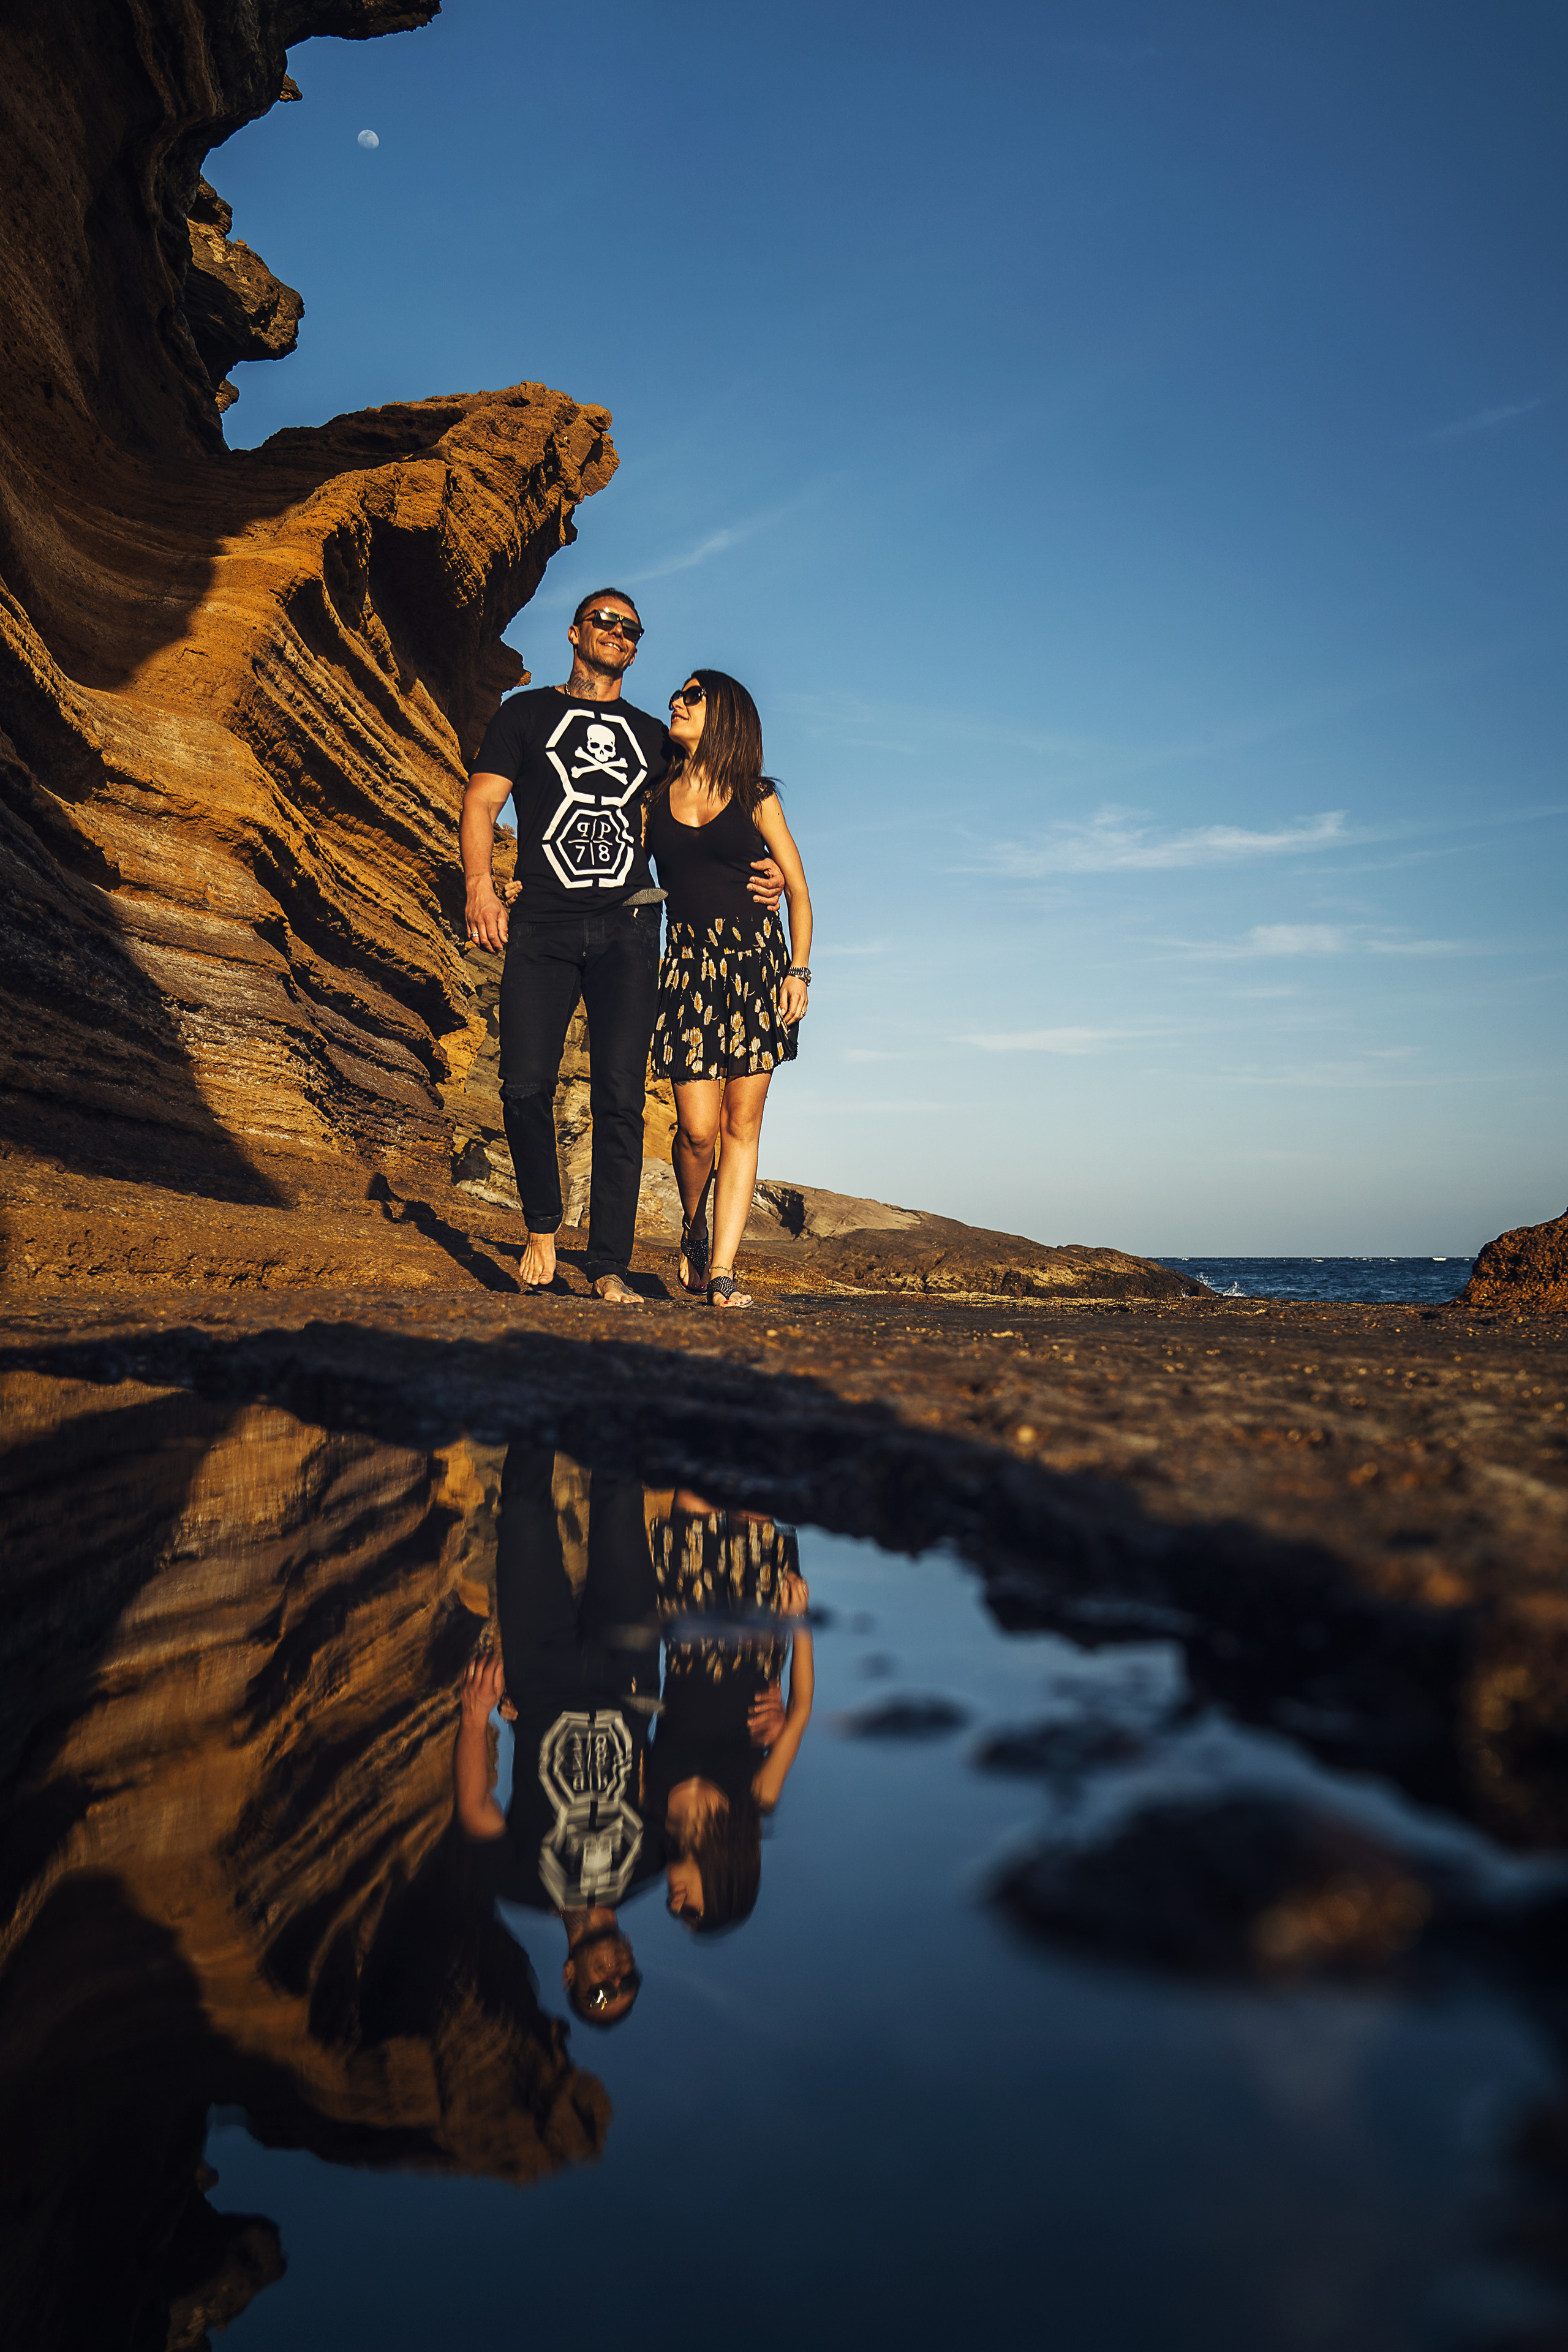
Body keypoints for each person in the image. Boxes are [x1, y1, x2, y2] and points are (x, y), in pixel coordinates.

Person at [461, 595, 783, 1305]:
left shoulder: (653, 737)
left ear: (634, 648)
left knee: (619, 1101)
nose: (617, 634)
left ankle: (607, 1265)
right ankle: (542, 1224)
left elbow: (716, 791)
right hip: (541, 919)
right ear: (575, 632)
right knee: (524, 1086)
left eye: (630, 630)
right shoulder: (525, 716)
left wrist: (764, 869)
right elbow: (483, 801)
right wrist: (481, 886)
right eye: (604, 621)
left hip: (631, 927)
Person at [453, 1446, 665, 2028]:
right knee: (621, 1499)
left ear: (570, 1976)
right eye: (628, 1983)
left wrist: (477, 1717)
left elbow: (475, 1810)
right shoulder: (650, 1868)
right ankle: (616, 1376)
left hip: (541, 1683)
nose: (615, 1975)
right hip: (628, 1679)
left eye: (601, 1992)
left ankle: (541, 1385)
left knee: (523, 1511)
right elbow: (672, 1779)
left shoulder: (520, 1884)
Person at [646, 671, 813, 1308]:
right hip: (688, 969)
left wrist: (798, 971)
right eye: (677, 695)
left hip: (754, 968)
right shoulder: (654, 795)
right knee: (696, 1130)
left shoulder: (756, 796)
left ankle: (722, 1271)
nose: (676, 702)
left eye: (692, 696)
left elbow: (797, 890)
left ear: (726, 716)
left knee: (743, 1122)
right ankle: (693, 1227)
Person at [644, 1492, 815, 1932]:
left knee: (695, 1494)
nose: (674, 1907)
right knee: (751, 1499)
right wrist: (799, 1621)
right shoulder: (755, 1802)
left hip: (688, 1622)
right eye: (691, 1912)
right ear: (724, 1889)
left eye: (675, 1911)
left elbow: (620, 1717)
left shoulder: (653, 1812)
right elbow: (799, 1713)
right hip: (760, 1632)